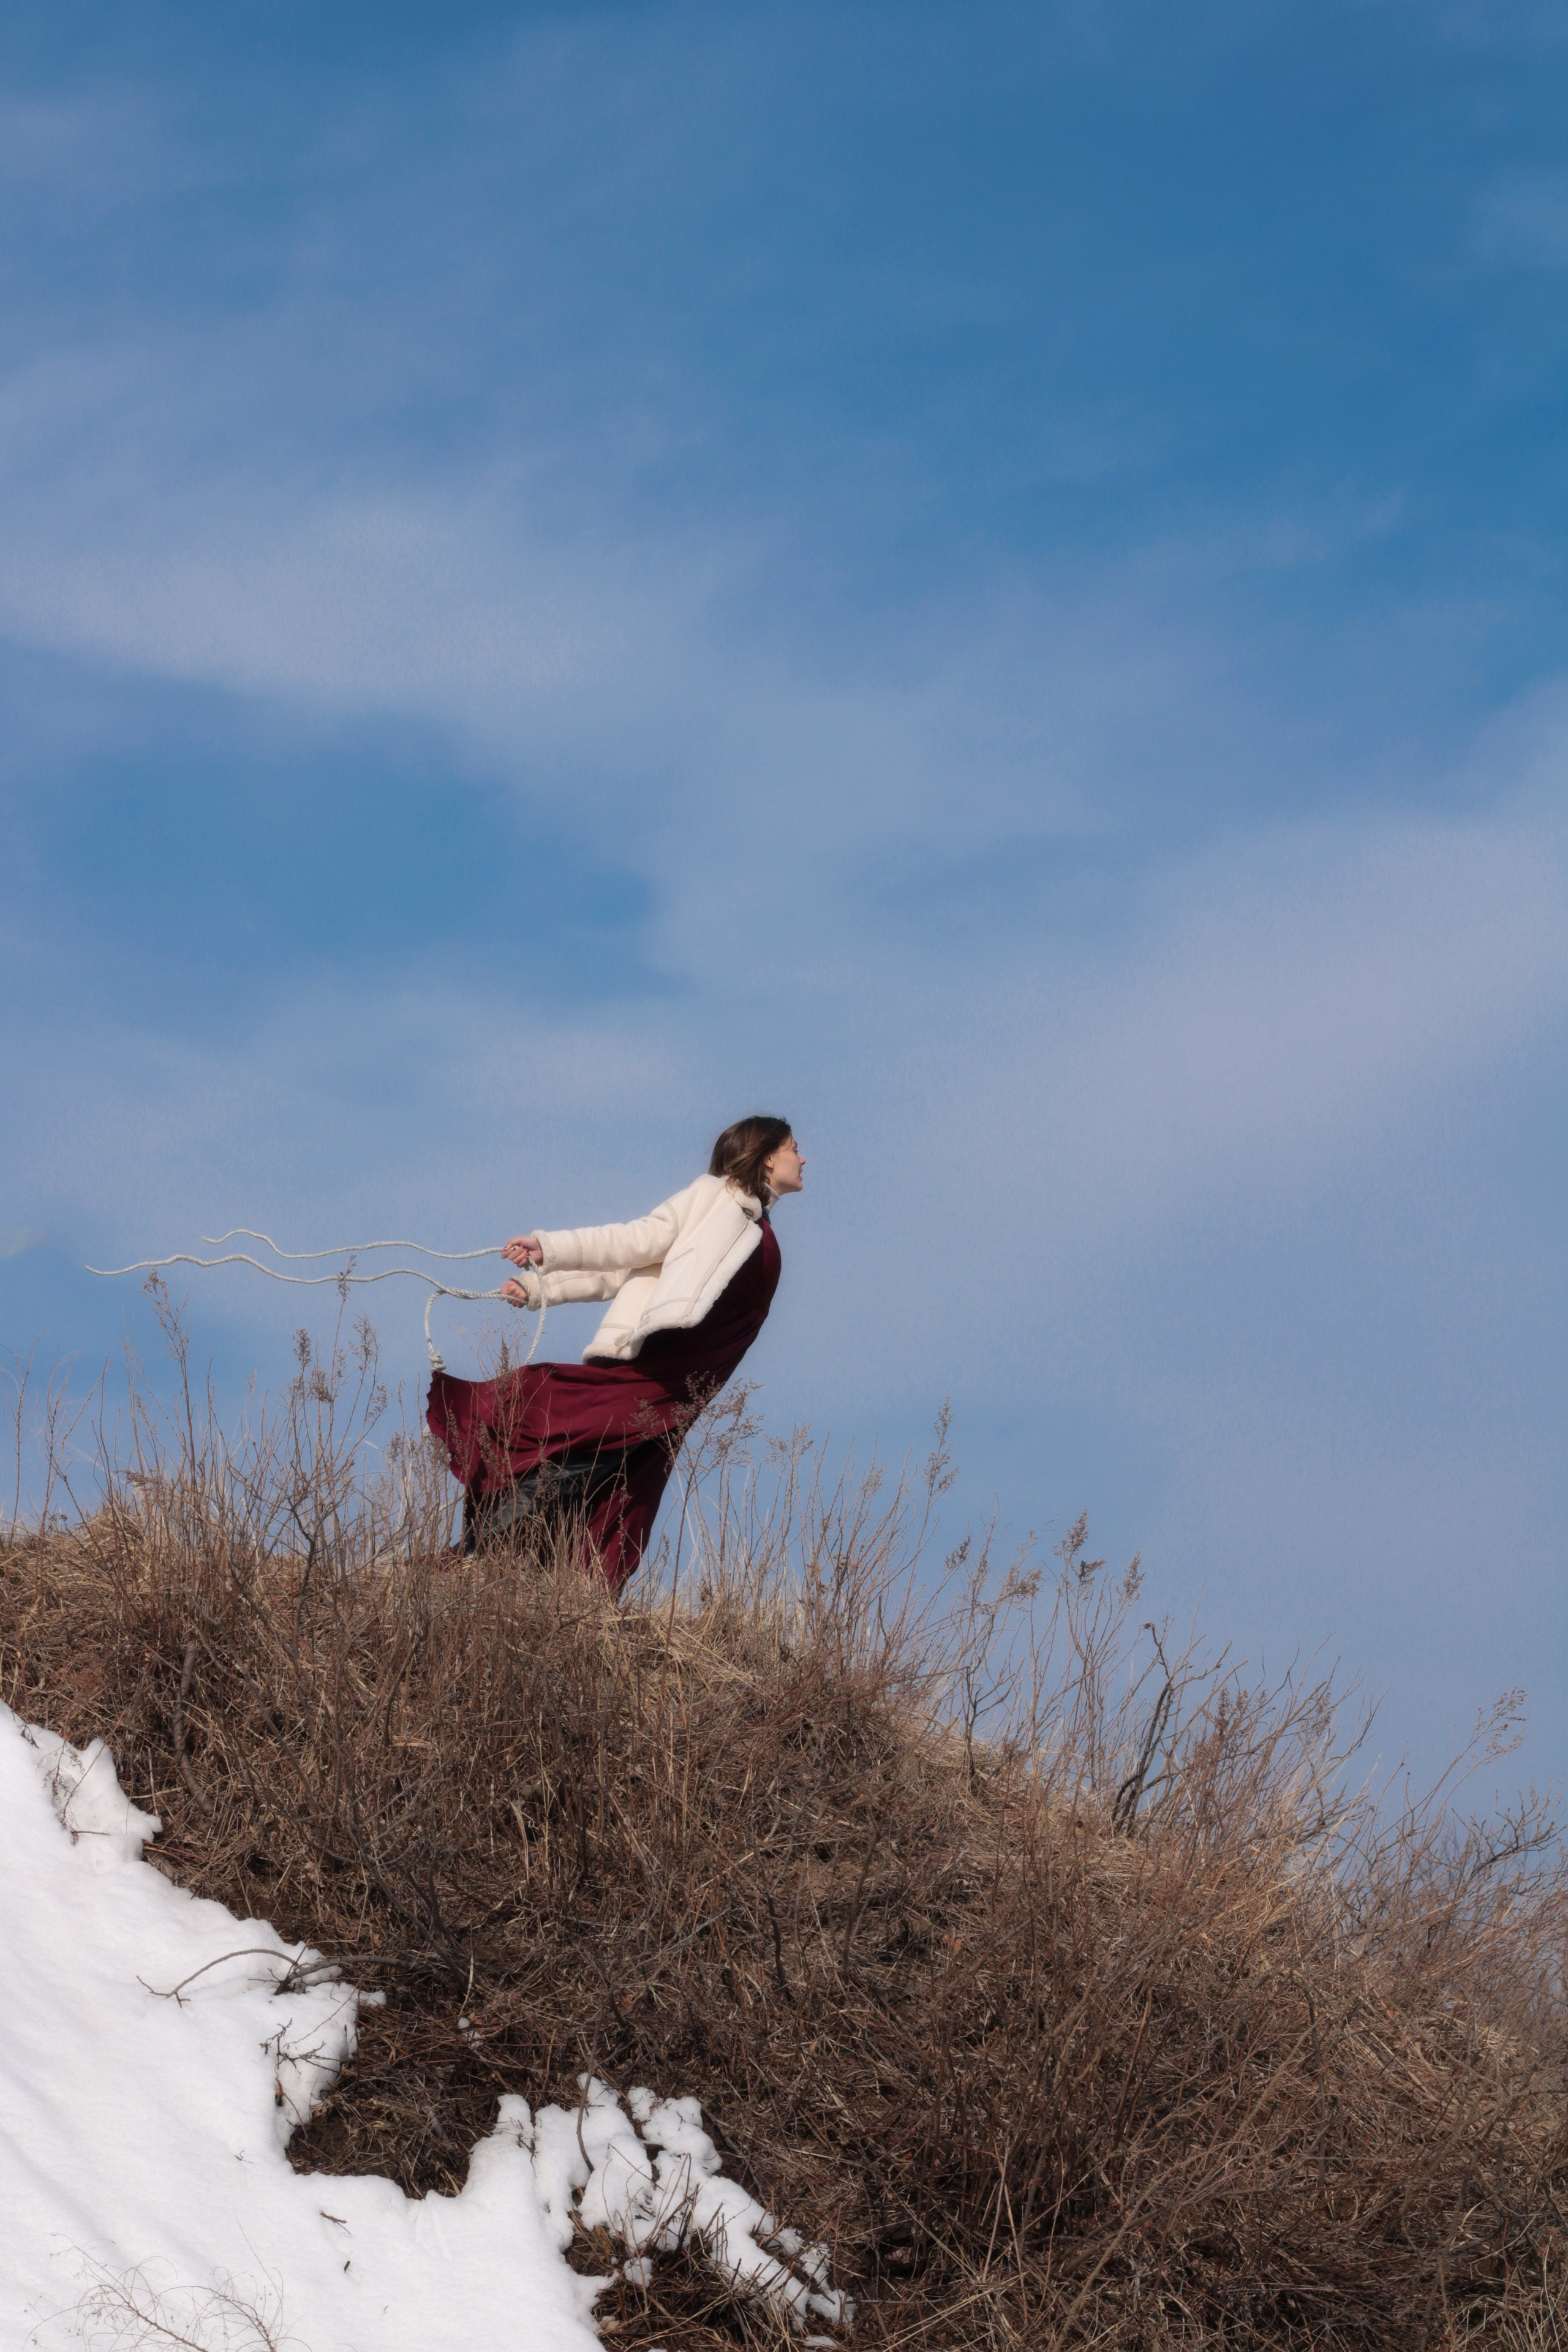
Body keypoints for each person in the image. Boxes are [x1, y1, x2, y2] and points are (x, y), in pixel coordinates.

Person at [425, 1117, 805, 1588]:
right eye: (794, 1147)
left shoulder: (753, 1223)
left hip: (685, 1387)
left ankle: (559, 1590)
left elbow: (639, 1270)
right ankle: (472, 1555)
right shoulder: (716, 1198)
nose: (802, 1157)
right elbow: (633, 1243)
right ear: (767, 1155)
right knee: (588, 1457)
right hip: (653, 1370)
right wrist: (547, 1257)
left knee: (623, 1491)